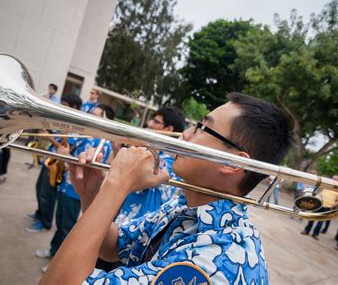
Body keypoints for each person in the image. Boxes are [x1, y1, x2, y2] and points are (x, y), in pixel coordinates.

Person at [39, 92, 293, 284]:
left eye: (203, 127)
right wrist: (92, 194)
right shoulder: (185, 205)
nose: (186, 135)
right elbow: (115, 245)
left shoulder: (214, 260)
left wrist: (116, 186)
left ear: (233, 163)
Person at [35, 104, 114, 273]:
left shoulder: (102, 143)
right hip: (65, 184)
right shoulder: (83, 135)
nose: (91, 116)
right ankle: (52, 251)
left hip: (77, 191)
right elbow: (70, 153)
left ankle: (58, 262)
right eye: (91, 113)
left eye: (97, 115)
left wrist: (66, 155)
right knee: (60, 220)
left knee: (67, 227)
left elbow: (88, 167)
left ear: (106, 119)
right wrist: (64, 152)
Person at [114, 106, 185, 226]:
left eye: (156, 122)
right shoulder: (151, 153)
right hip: (125, 221)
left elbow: (131, 174)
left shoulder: (169, 161)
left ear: (168, 129)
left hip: (139, 228)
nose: (150, 124)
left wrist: (136, 144)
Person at [26, 93, 83, 232]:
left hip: (58, 165)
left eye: (64, 104)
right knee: (39, 188)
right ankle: (39, 213)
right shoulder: (63, 119)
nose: (60, 107)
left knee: (47, 194)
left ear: (74, 107)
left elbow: (65, 148)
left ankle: (45, 222)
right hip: (49, 158)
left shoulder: (76, 126)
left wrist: (48, 136)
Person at [301, 175, 338, 240]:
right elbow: (316, 191)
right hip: (318, 204)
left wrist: (332, 206)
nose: (333, 179)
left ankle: (315, 234)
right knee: (312, 218)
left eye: (335, 179)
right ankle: (306, 231)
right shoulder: (325, 185)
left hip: (328, 207)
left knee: (321, 221)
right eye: (333, 178)